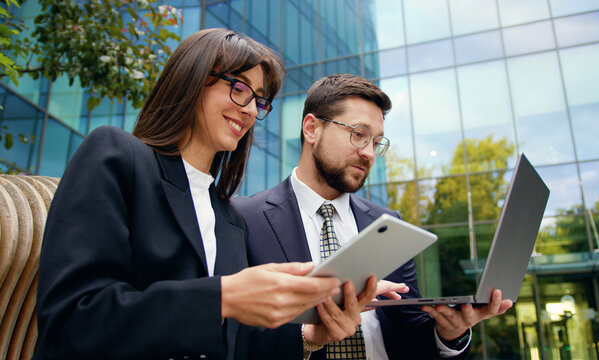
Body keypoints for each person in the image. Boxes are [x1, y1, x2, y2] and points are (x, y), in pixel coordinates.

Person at [34, 29, 377, 360]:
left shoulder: (229, 217)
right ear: (193, 79)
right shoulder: (117, 157)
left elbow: (235, 343)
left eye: (258, 101)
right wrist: (223, 297)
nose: (249, 110)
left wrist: (311, 336)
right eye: (239, 88)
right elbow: (72, 320)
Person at [232, 74, 514, 359]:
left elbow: (411, 333)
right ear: (311, 128)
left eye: (377, 142)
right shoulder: (243, 218)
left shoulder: (388, 224)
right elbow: (232, 334)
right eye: (359, 134)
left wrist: (449, 334)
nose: (369, 153)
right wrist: (307, 338)